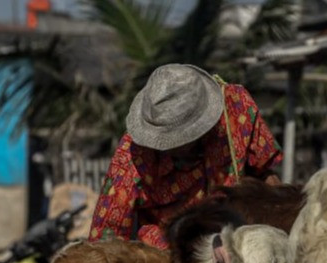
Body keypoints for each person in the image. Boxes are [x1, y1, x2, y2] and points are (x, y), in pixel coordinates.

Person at [88, 64, 283, 248]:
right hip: (172, 254)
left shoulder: (236, 106)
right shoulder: (131, 155)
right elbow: (106, 235)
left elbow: (266, 173)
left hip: (238, 238)